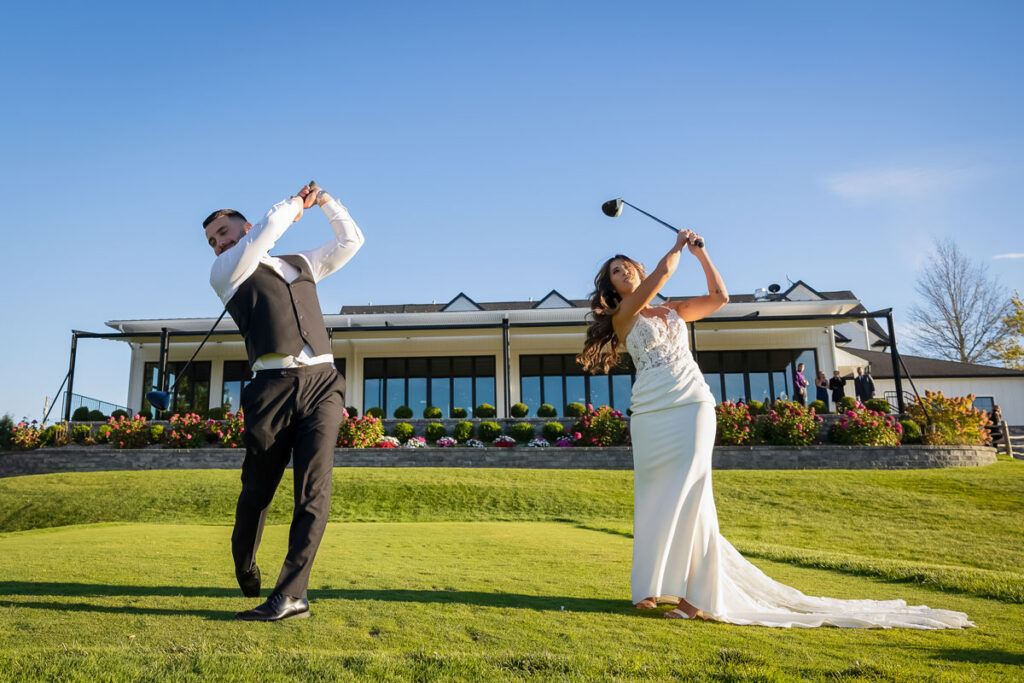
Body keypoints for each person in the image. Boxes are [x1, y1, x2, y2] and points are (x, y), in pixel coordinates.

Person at [577, 230, 971, 628]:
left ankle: (696, 596)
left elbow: (720, 298)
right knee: (656, 493)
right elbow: (662, 273)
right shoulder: (624, 315)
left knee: (692, 493)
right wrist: (677, 245)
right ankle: (652, 585)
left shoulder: (675, 310)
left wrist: (701, 254)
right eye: (615, 271)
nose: (622, 270)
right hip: (650, 411)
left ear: (637, 269)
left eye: (626, 265)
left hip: (690, 402)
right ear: (612, 285)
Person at [205, 182, 365, 621]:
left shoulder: (302, 263)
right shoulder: (227, 270)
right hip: (270, 390)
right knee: (257, 491)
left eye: (223, 230)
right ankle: (245, 563)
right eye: (213, 240)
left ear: (242, 223)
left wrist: (327, 202)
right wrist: (296, 205)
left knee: (314, 490)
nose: (219, 241)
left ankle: (292, 594)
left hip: (322, 383)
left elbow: (352, 241)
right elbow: (268, 229)